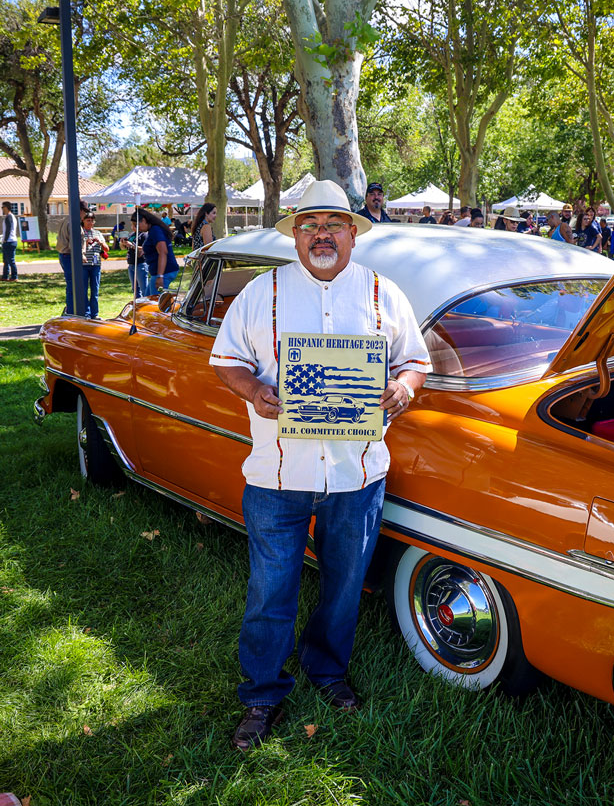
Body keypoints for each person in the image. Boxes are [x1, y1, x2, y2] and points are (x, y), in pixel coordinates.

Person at [209, 179, 431, 751]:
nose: (321, 235)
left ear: (354, 233)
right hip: (277, 474)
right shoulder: (263, 293)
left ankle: (327, 670)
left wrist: (404, 388)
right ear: (295, 236)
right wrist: (253, 390)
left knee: (344, 584)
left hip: (357, 472)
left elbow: (413, 362)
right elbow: (226, 360)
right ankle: (261, 695)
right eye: (309, 225)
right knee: (270, 587)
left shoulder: (384, 293)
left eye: (333, 224)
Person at [56, 200, 89, 314]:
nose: (86, 215)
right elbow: (74, 245)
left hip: (63, 254)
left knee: (71, 285)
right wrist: (82, 255)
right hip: (69, 256)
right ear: (80, 210)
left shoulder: (65, 220)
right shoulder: (74, 223)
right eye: (85, 212)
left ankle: (69, 310)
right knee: (73, 286)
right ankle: (70, 312)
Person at [136, 208, 179, 295]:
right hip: (158, 272)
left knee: (155, 305)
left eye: (136, 224)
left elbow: (163, 252)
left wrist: (160, 276)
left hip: (164, 272)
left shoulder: (156, 230)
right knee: (146, 300)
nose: (137, 228)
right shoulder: (153, 230)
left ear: (143, 220)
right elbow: (155, 247)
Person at [80, 212, 109, 319]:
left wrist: (100, 242)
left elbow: (106, 249)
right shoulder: (81, 232)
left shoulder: (98, 233)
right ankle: (86, 314)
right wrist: (85, 243)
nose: (90, 223)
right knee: (83, 290)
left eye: (92, 220)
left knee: (95, 290)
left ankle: (94, 314)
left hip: (96, 264)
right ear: (83, 220)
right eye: (88, 220)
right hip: (84, 265)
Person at [122, 216, 149, 298]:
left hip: (140, 264)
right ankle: (137, 307)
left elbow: (145, 249)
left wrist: (133, 246)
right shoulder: (131, 235)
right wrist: (123, 243)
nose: (132, 227)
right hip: (131, 264)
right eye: (132, 225)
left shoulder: (144, 235)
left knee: (144, 289)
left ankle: (146, 306)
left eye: (134, 225)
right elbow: (123, 248)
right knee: (135, 290)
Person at [1, 202, 17, 282]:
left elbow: (8, 229)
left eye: (2, 207)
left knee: (10, 260)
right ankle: (5, 276)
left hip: (10, 241)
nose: (2, 209)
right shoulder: (9, 217)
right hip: (9, 241)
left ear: (6, 207)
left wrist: (5, 239)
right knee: (6, 260)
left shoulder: (9, 217)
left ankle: (14, 276)